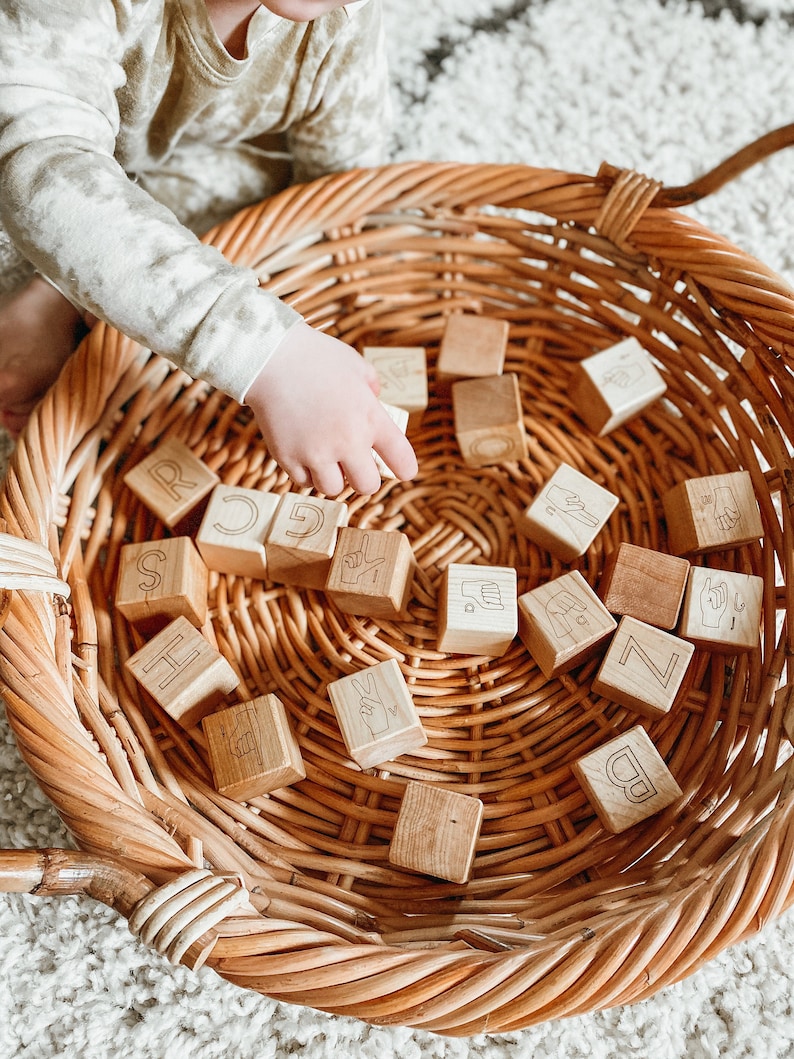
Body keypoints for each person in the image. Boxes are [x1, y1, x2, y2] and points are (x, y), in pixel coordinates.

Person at [0, 0, 418, 497]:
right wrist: (264, 352)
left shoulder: (343, 19)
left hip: (185, 173)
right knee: (38, 224)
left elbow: (339, 189)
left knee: (269, 196)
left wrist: (320, 340)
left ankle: (73, 287)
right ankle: (63, 284)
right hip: (37, 148)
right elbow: (37, 162)